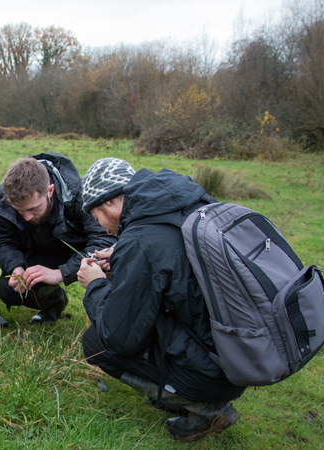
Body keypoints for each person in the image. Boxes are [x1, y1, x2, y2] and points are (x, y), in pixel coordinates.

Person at [76, 157, 246, 442]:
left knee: (96, 343)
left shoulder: (141, 239)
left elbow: (118, 336)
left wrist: (94, 285)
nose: (104, 230)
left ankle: (202, 406)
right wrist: (123, 256)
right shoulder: (187, 201)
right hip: (244, 355)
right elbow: (173, 264)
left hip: (214, 374)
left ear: (107, 203)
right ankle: (200, 394)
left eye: (96, 218)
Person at [0, 154, 116, 325]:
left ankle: (109, 320)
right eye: (20, 211)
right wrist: (16, 266)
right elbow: (2, 242)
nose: (27, 217)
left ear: (50, 191)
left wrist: (61, 273)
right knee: (8, 289)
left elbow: (104, 240)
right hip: (38, 253)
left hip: (79, 249)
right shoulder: (6, 197)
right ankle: (54, 301)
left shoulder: (78, 193)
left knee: (114, 265)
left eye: (34, 208)